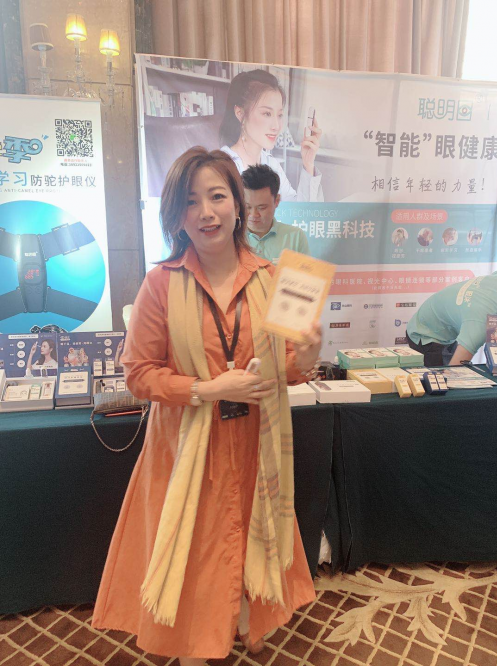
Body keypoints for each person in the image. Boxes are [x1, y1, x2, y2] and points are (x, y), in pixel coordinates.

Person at [91, 147, 322, 664]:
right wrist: (210, 389)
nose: (206, 212)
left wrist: (306, 356)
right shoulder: (160, 284)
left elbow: (286, 367)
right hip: (186, 451)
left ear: (238, 206)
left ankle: (247, 617)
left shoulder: (276, 278)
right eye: (190, 201)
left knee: (252, 533)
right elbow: (139, 375)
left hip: (254, 445)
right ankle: (196, 645)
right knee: (196, 551)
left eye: (217, 196)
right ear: (176, 216)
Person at [219, 69, 323, 202]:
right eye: (267, 114)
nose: (277, 126)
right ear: (240, 113)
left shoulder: (271, 164)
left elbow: (296, 210)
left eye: (279, 115)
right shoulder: (223, 167)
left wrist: (308, 164)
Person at [406, 271, 497, 366]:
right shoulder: (480, 322)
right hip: (425, 333)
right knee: (443, 374)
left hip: (447, 326)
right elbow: (455, 368)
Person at [242, 163, 309, 263]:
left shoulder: (295, 237)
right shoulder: (231, 237)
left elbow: (305, 273)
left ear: (277, 201)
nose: (253, 214)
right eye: (247, 207)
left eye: (261, 208)